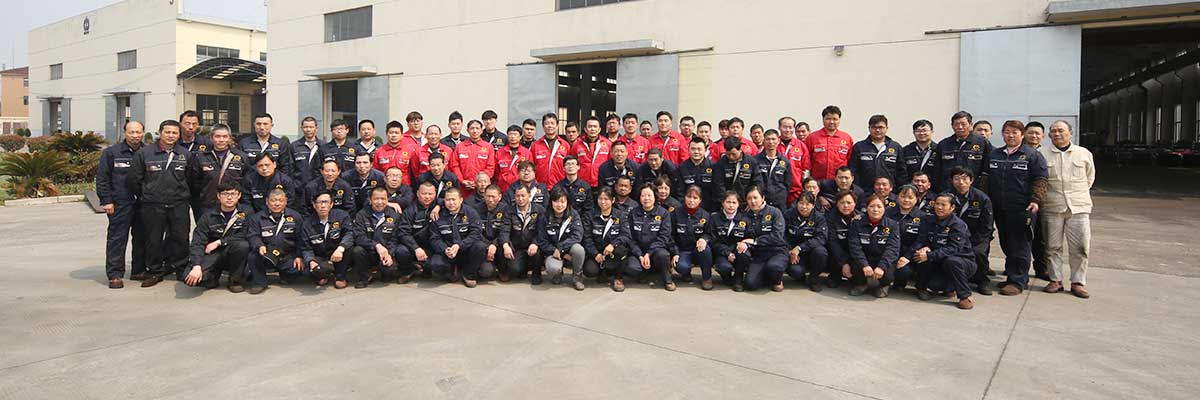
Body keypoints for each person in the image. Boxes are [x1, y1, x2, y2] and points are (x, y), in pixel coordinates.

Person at [983, 120, 1048, 296]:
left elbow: (1041, 179)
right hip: (999, 207)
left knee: (1020, 244)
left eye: (1015, 132)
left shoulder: (1032, 155)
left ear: (1022, 134)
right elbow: (985, 179)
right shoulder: (995, 154)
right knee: (1006, 243)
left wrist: (1036, 200)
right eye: (1007, 132)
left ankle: (1017, 281)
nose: (1010, 136)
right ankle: (1013, 275)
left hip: (1022, 208)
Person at [126, 119, 191, 288]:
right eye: (167, 132)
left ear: (179, 135)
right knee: (153, 239)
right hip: (152, 205)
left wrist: (183, 195)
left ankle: (181, 269)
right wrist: (147, 195)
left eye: (174, 133)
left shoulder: (185, 154)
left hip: (179, 204)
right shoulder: (145, 153)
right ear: (160, 133)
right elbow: (133, 180)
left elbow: (192, 179)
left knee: (181, 238)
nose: (171, 136)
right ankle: (154, 271)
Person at [1039, 120, 1095, 298]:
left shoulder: (1083, 153)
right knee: (1052, 246)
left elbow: (1089, 178)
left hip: (1078, 207)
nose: (1057, 134)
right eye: (1053, 131)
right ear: (1049, 135)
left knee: (1080, 247)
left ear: (1070, 133)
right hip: (1052, 206)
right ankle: (1055, 280)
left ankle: (1078, 282)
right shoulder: (1041, 154)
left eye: (1061, 130)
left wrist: (1077, 195)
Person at [98, 120, 147, 288]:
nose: (135, 136)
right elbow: (103, 178)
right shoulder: (112, 153)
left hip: (143, 203)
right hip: (120, 203)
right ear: (125, 133)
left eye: (138, 132)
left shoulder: (148, 152)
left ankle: (138, 270)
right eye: (131, 132)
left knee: (142, 238)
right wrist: (106, 201)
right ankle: (115, 274)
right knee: (117, 238)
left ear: (143, 133)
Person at [912, 193, 979, 309]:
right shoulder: (928, 220)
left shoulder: (957, 225)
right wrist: (925, 247)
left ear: (952, 207)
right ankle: (922, 288)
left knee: (951, 261)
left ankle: (965, 296)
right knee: (924, 260)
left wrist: (930, 255)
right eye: (937, 204)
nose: (939, 207)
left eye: (943, 205)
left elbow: (953, 248)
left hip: (962, 261)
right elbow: (922, 239)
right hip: (939, 261)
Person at [183, 181, 252, 291]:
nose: (229, 197)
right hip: (213, 253)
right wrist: (196, 266)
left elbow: (245, 234)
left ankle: (235, 281)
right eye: (225, 194)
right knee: (189, 278)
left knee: (243, 246)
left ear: (239, 195)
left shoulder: (246, 212)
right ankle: (212, 278)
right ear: (218, 196)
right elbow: (198, 241)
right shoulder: (208, 216)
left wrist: (219, 242)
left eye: (233, 194)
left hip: (233, 251)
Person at [246, 189, 304, 294]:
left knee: (299, 269)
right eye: (273, 200)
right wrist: (259, 245)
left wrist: (299, 256)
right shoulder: (257, 218)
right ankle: (259, 282)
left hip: (287, 255)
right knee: (253, 256)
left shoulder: (295, 216)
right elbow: (253, 235)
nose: (277, 204)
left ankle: (285, 275)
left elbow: (300, 238)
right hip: (267, 254)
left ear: (286, 201)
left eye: (280, 200)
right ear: (267, 201)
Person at [947, 166, 995, 296]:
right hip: (952, 236)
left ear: (971, 180)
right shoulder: (947, 196)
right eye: (957, 179)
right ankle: (951, 281)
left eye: (964, 179)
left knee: (978, 252)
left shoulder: (982, 198)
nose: (961, 182)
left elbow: (987, 226)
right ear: (952, 180)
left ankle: (982, 281)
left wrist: (971, 241)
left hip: (977, 237)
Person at [428, 188, 488, 287]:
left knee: (480, 247)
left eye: (454, 199)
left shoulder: (470, 212)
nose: (451, 203)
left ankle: (468, 275)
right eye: (448, 200)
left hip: (466, 250)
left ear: (461, 200)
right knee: (435, 264)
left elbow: (476, 233)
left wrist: (460, 245)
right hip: (448, 251)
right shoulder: (438, 215)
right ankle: (451, 273)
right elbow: (434, 238)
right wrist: (444, 249)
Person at [350, 187, 409, 288]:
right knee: (357, 250)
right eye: (376, 199)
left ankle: (387, 273)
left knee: (397, 257)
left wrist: (389, 254)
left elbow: (395, 238)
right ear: (370, 200)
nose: (380, 202)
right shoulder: (361, 215)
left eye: (383, 199)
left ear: (387, 200)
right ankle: (365, 277)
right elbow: (359, 237)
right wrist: (376, 245)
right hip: (370, 251)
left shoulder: (394, 215)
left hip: (387, 251)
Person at [188, 124, 248, 221]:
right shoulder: (201, 157)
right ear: (211, 138)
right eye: (217, 136)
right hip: (207, 206)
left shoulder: (241, 157)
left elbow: (246, 181)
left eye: (225, 136)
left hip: (233, 206)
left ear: (229, 138)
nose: (221, 140)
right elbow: (195, 182)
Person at [847, 195, 901, 297]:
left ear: (884, 208)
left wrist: (881, 266)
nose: (875, 210)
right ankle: (861, 285)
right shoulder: (857, 223)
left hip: (881, 258)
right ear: (866, 208)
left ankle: (884, 286)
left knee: (888, 273)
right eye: (872, 206)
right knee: (855, 267)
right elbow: (855, 246)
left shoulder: (892, 225)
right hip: (865, 258)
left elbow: (893, 248)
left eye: (879, 206)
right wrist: (864, 265)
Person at [625, 183, 676, 291]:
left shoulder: (664, 213)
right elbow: (630, 238)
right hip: (639, 251)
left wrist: (649, 253)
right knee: (632, 267)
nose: (646, 198)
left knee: (663, 255)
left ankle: (667, 280)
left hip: (657, 250)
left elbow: (664, 237)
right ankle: (645, 272)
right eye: (643, 195)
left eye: (649, 195)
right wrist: (640, 255)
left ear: (655, 196)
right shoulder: (633, 213)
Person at [299, 191, 354, 288]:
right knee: (307, 271)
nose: (323, 206)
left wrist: (340, 248)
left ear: (331, 204)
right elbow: (306, 248)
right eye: (319, 202)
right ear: (314, 205)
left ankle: (340, 276)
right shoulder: (307, 224)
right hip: (321, 256)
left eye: (326, 202)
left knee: (350, 248)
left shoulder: (342, 216)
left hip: (338, 254)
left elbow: (349, 234)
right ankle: (323, 275)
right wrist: (311, 261)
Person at [535, 187, 586, 289]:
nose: (559, 205)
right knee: (552, 268)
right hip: (552, 251)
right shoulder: (544, 216)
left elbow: (577, 235)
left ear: (567, 202)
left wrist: (561, 249)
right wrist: (554, 250)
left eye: (563, 201)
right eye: (556, 201)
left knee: (579, 250)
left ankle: (577, 278)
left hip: (567, 249)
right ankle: (557, 274)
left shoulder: (573, 214)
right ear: (551, 202)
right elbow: (542, 240)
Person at [741, 186, 789, 292]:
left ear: (762, 198)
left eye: (755, 197)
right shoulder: (745, 215)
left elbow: (777, 236)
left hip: (777, 251)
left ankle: (777, 280)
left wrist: (756, 241)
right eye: (749, 198)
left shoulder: (775, 212)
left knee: (773, 267)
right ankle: (767, 276)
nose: (752, 201)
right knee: (750, 284)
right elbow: (744, 236)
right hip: (759, 255)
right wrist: (744, 243)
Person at [583, 187, 630, 291]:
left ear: (613, 200)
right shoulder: (590, 215)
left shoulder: (620, 215)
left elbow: (626, 235)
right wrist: (595, 253)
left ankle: (618, 278)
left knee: (621, 250)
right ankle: (603, 273)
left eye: (606, 199)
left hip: (613, 251)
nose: (603, 202)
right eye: (600, 199)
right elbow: (587, 238)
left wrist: (613, 244)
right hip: (597, 252)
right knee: (589, 270)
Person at [936, 111, 992, 191]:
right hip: (948, 189)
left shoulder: (982, 143)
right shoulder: (943, 144)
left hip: (973, 190)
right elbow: (937, 171)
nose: (960, 127)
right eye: (956, 124)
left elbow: (986, 170)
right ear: (952, 126)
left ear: (970, 125)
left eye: (963, 124)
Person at [784, 191, 829, 291]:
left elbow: (821, 238)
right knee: (795, 271)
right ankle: (801, 277)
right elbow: (782, 235)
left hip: (810, 250)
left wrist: (800, 247)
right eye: (801, 203)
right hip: (793, 252)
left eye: (807, 204)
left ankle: (814, 279)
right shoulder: (789, 214)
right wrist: (789, 250)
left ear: (813, 205)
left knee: (821, 252)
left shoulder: (819, 218)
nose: (803, 207)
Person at [671, 186, 714, 289]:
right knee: (681, 266)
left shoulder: (705, 215)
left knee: (706, 250)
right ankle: (686, 273)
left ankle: (707, 278)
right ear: (684, 197)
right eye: (689, 197)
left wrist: (704, 239)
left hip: (698, 249)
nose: (691, 200)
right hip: (683, 250)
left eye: (695, 198)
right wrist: (675, 252)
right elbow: (670, 236)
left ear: (700, 200)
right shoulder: (675, 214)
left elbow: (710, 233)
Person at [500, 184, 544, 283]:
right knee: (515, 270)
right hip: (518, 247)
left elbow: (542, 231)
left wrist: (535, 243)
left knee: (538, 253)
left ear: (529, 195)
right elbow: (504, 229)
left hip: (533, 246)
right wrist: (505, 245)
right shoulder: (509, 210)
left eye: (523, 196)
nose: (520, 199)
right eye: (517, 196)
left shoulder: (539, 210)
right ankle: (523, 269)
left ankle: (536, 274)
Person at [848, 115, 903, 192]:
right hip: (865, 192)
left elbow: (901, 172)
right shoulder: (859, 147)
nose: (877, 130)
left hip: (890, 193)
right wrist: (857, 190)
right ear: (869, 128)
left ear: (887, 128)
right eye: (874, 127)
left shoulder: (896, 147)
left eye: (881, 127)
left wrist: (900, 191)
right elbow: (853, 171)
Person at [888, 185, 928, 292]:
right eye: (903, 196)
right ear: (897, 197)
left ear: (917, 199)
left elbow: (921, 239)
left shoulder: (922, 217)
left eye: (910, 197)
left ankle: (901, 285)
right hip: (889, 251)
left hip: (909, 253)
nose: (906, 200)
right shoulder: (888, 212)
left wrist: (907, 256)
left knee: (904, 271)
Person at [1024, 121, 1050, 281]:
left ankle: (1041, 268)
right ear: (1024, 134)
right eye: (1030, 132)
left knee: (1041, 237)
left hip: (1041, 202)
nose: (1034, 136)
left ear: (1043, 136)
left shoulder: (1047, 153)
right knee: (1019, 238)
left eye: (1037, 133)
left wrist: (1038, 198)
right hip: (1020, 201)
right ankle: (1016, 269)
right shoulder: (1018, 151)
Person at [397, 183, 439, 283]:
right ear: (418, 194)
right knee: (401, 251)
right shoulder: (410, 210)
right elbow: (403, 233)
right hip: (414, 245)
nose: (427, 197)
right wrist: (416, 248)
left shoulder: (441, 206)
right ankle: (408, 271)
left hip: (432, 245)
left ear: (435, 194)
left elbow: (450, 200)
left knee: (437, 264)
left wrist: (439, 206)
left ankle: (428, 269)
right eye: (424, 193)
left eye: (430, 194)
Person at [708, 191, 750, 289]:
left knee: (744, 254)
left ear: (738, 204)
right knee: (724, 267)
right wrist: (727, 253)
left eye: (734, 202)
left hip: (738, 251)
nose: (731, 205)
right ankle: (726, 278)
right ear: (723, 203)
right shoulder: (715, 218)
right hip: (722, 253)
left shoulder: (745, 218)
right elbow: (714, 241)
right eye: (728, 202)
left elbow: (749, 236)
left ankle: (738, 278)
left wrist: (745, 244)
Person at [805, 105, 854, 180]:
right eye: (828, 119)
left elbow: (850, 160)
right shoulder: (812, 137)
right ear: (823, 119)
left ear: (839, 120)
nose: (831, 122)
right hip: (817, 181)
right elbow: (806, 161)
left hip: (839, 182)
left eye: (835, 119)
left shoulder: (847, 138)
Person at [238, 113, 293, 177]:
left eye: (265, 124)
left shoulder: (281, 144)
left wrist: (279, 182)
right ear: (254, 125)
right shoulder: (244, 143)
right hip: (250, 182)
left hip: (274, 181)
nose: (262, 127)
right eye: (258, 124)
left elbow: (285, 168)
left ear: (271, 125)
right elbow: (240, 167)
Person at [825, 191, 860, 289]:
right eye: (842, 202)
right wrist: (844, 263)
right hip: (836, 254)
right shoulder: (830, 218)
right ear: (837, 204)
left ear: (855, 204)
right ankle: (835, 275)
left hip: (853, 253)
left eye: (849, 203)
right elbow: (832, 242)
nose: (845, 206)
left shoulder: (861, 218)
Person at [453, 119, 496, 198]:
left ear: (481, 131)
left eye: (477, 128)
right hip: (463, 188)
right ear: (467, 130)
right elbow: (455, 166)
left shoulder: (488, 147)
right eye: (472, 128)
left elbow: (490, 167)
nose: (475, 131)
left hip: (482, 189)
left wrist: (478, 182)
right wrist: (462, 181)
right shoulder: (460, 146)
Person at [754, 129, 792, 209]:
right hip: (761, 200)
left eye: (773, 139)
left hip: (779, 202)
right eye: (768, 139)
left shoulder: (785, 161)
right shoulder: (756, 160)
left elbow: (788, 184)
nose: (771, 142)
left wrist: (781, 195)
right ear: (763, 141)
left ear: (778, 141)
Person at [477, 184, 508, 281]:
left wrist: (494, 244)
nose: (490, 200)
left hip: (498, 244)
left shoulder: (506, 209)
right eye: (488, 196)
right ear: (484, 195)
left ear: (500, 197)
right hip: (483, 245)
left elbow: (505, 230)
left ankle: (503, 270)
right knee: (486, 272)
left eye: (493, 197)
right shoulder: (476, 209)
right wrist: (487, 245)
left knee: (505, 245)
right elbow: (476, 231)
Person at [778, 116, 812, 205]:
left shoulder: (801, 146)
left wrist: (805, 188)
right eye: (785, 127)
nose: (787, 130)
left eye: (790, 127)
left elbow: (806, 169)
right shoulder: (773, 143)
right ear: (779, 128)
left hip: (796, 191)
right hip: (777, 190)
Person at [678, 137, 717, 211]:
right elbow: (680, 192)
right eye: (693, 149)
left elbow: (716, 190)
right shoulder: (682, 167)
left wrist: (714, 210)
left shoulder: (713, 166)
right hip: (688, 208)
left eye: (699, 149)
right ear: (688, 150)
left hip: (709, 209)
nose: (696, 152)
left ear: (705, 150)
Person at [571, 116, 611, 187]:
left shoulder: (608, 144)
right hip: (582, 184)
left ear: (599, 129)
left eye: (595, 126)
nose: (592, 129)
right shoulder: (577, 145)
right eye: (590, 126)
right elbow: (572, 164)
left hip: (602, 183)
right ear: (585, 129)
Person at [532, 113, 569, 186]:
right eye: (547, 123)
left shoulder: (565, 145)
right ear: (543, 126)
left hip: (560, 187)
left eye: (552, 123)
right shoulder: (535, 145)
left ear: (557, 126)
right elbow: (531, 167)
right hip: (540, 186)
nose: (550, 126)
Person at [495, 125, 533, 192]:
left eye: (515, 134)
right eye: (510, 134)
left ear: (520, 137)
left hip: (521, 188)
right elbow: (496, 172)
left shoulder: (527, 153)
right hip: (503, 188)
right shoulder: (500, 152)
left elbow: (530, 171)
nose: (512, 136)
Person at [901, 119, 939, 187]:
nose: (921, 133)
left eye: (924, 130)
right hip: (911, 189)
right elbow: (902, 172)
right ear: (913, 133)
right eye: (918, 131)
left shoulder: (939, 149)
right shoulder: (905, 150)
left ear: (932, 131)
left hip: (934, 189)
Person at [292, 116, 326, 186]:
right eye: (305, 127)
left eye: (311, 127)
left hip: (318, 186)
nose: (308, 129)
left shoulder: (323, 146)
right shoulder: (294, 146)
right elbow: (290, 168)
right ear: (301, 128)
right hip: (299, 187)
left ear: (316, 128)